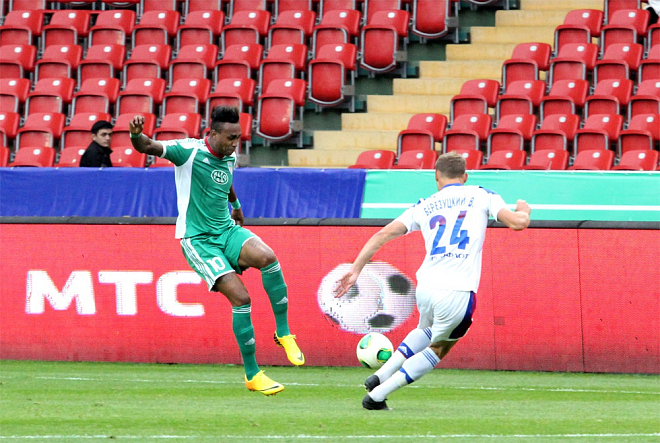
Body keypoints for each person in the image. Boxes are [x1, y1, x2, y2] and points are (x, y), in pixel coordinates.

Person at [128, 105, 304, 396]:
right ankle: (253, 374)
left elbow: (225, 180)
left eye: (238, 138)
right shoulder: (188, 152)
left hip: (226, 230)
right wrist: (136, 135)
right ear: (213, 133)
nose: (235, 144)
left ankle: (283, 332)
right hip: (198, 240)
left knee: (268, 258)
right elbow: (148, 146)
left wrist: (236, 206)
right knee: (241, 298)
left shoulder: (229, 155)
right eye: (231, 138)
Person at [334, 152, 531, 410]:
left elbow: (382, 234)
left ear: (436, 176)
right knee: (439, 348)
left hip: (426, 287)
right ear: (465, 176)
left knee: (426, 329)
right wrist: (524, 210)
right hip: (456, 290)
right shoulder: (482, 195)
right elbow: (517, 223)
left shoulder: (424, 205)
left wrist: (356, 270)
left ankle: (380, 375)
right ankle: (377, 396)